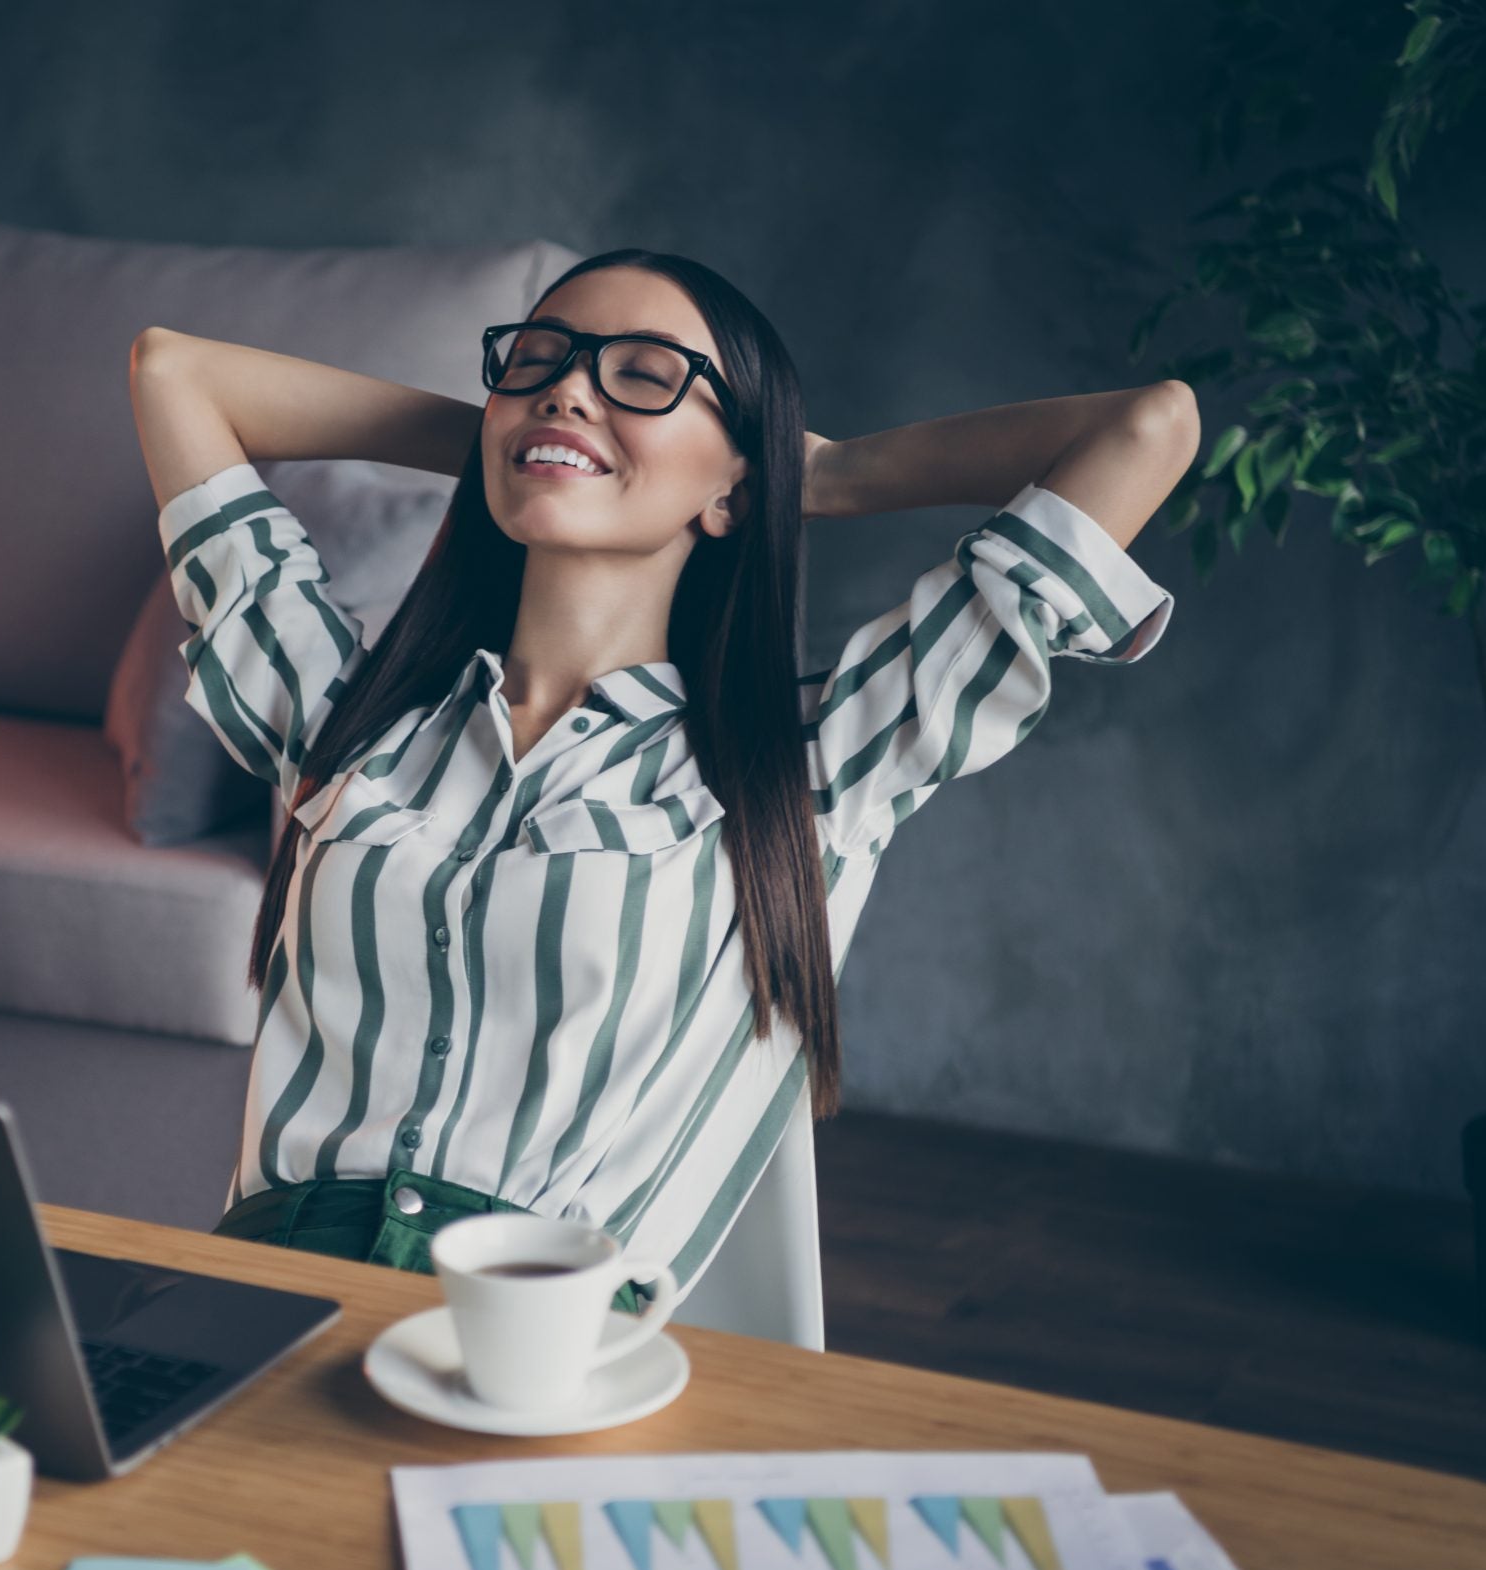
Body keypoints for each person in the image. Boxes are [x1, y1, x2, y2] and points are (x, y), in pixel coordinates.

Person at [125, 248, 1196, 1336]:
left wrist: (802, 475)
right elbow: (176, 374)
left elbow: (1145, 430)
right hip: (259, 1289)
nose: (570, 385)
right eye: (537, 360)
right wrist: (523, 441)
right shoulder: (345, 712)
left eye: (645, 373)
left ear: (732, 486)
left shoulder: (816, 762)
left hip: (544, 1337)